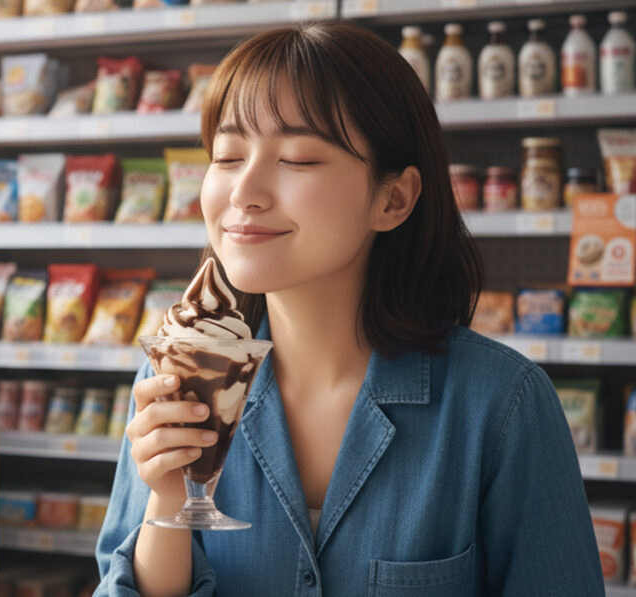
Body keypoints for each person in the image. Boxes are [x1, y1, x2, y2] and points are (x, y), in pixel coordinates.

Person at [95, 21, 603, 597]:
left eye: (300, 160)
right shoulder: (178, 378)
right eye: (228, 155)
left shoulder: (500, 406)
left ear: (393, 199)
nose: (244, 192)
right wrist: (167, 501)